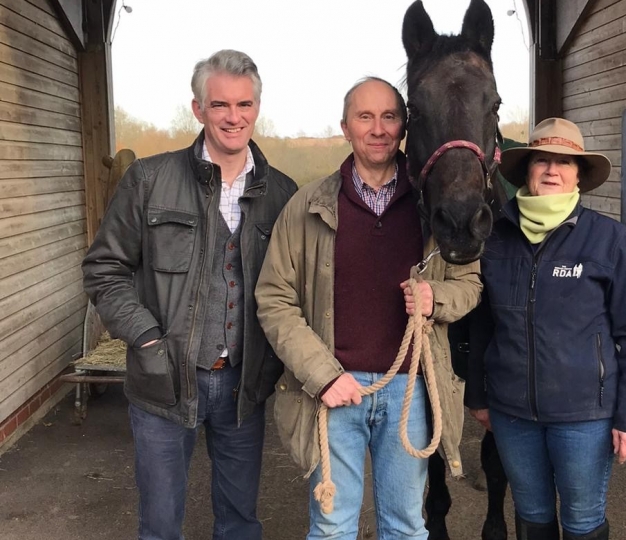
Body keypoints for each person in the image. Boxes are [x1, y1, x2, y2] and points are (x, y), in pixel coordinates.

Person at [82, 50, 298, 540]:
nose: (233, 117)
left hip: (244, 385)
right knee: (160, 525)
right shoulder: (148, 181)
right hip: (164, 381)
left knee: (241, 522)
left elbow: (295, 289)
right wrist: (146, 339)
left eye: (244, 104)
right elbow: (103, 268)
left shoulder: (282, 194)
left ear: (256, 109)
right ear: (198, 109)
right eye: (219, 104)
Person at [255, 77, 481, 540]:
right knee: (333, 525)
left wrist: (435, 299)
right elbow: (275, 299)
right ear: (345, 127)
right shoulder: (308, 206)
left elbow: (470, 283)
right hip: (335, 389)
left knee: (405, 525)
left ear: (403, 127)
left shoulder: (433, 207)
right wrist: (322, 375)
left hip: (411, 391)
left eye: (389, 116)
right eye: (365, 117)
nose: (377, 129)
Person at [465, 117, 626, 540]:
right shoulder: (495, 237)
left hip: (584, 417)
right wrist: (477, 396)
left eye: (565, 162)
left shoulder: (609, 239)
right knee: (532, 516)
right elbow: (483, 324)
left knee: (582, 521)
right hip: (513, 414)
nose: (552, 170)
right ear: (527, 170)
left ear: (579, 176)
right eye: (543, 160)